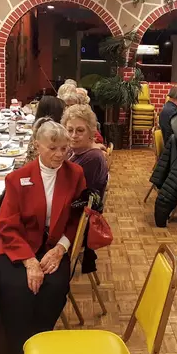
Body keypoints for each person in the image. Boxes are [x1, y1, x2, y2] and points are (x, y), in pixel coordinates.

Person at [0, 120, 85, 354]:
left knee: (55, 287)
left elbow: (78, 218)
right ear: (37, 146)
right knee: (16, 289)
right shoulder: (17, 178)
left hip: (54, 245)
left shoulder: (75, 173)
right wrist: (29, 261)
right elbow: (7, 224)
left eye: (64, 148)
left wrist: (60, 249)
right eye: (53, 148)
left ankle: (39, 346)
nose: (60, 154)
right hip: (17, 245)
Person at [62, 104, 109, 274]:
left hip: (74, 224)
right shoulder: (76, 151)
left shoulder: (92, 158)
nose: (73, 135)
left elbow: (70, 196)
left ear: (91, 133)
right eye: (70, 130)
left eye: (80, 131)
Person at [26, 97, 68, 164]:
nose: (65, 115)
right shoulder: (47, 135)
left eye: (63, 148)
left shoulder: (37, 129)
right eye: (62, 112)